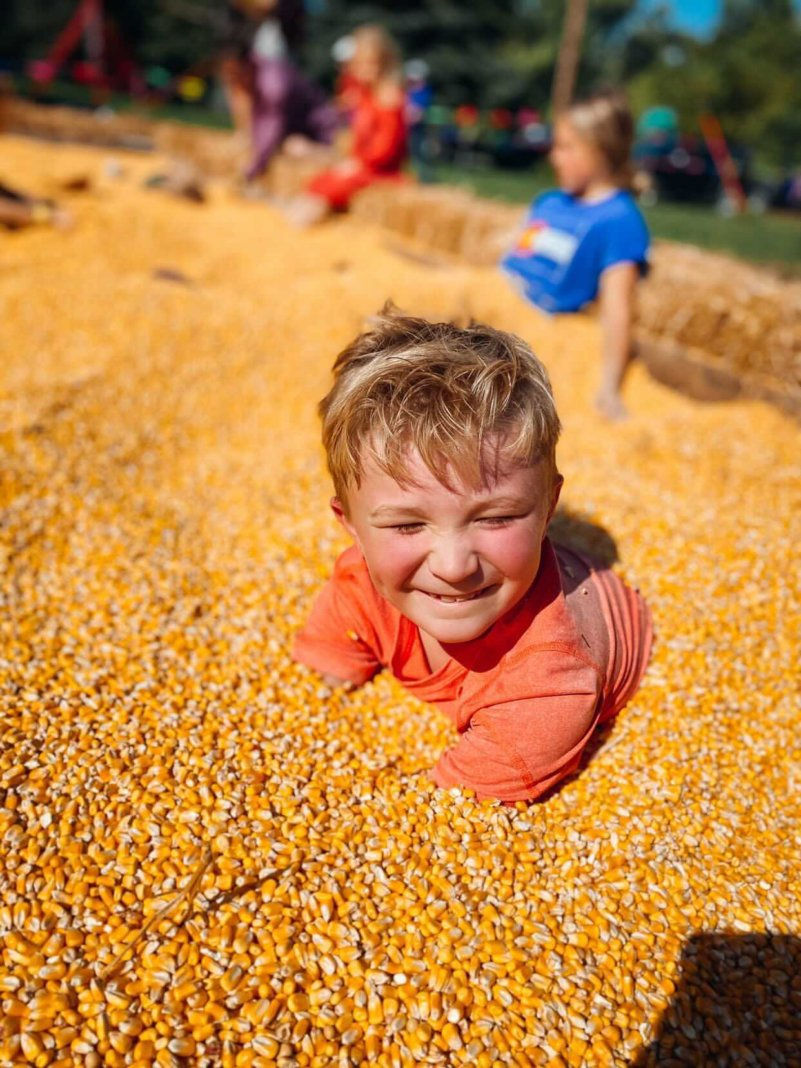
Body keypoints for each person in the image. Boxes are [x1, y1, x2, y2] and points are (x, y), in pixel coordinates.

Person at [292, 310, 653, 804]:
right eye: (407, 524)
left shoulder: (547, 688)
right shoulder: (358, 585)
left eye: (495, 518)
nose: (453, 565)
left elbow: (455, 811)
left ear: (548, 507)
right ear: (350, 525)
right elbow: (327, 659)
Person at [501, 90, 650, 421]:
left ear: (601, 150)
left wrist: (610, 387)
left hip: (533, 327)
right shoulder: (549, 202)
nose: (554, 157)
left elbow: (617, 307)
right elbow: (513, 257)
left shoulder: (619, 220)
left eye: (566, 147)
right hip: (496, 302)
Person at [283, 25, 406, 226]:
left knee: (331, 186)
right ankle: (295, 219)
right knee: (319, 182)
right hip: (362, 165)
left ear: (385, 63)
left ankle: (301, 222)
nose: (365, 70)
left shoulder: (388, 97)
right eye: (360, 64)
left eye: (371, 63)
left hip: (380, 171)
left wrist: (359, 163)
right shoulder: (365, 94)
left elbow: (386, 149)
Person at [219, 0, 338, 182]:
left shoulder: (272, 75)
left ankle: (338, 162)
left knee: (294, 147)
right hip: (292, 128)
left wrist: (254, 165)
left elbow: (271, 120)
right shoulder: (255, 46)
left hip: (314, 134)